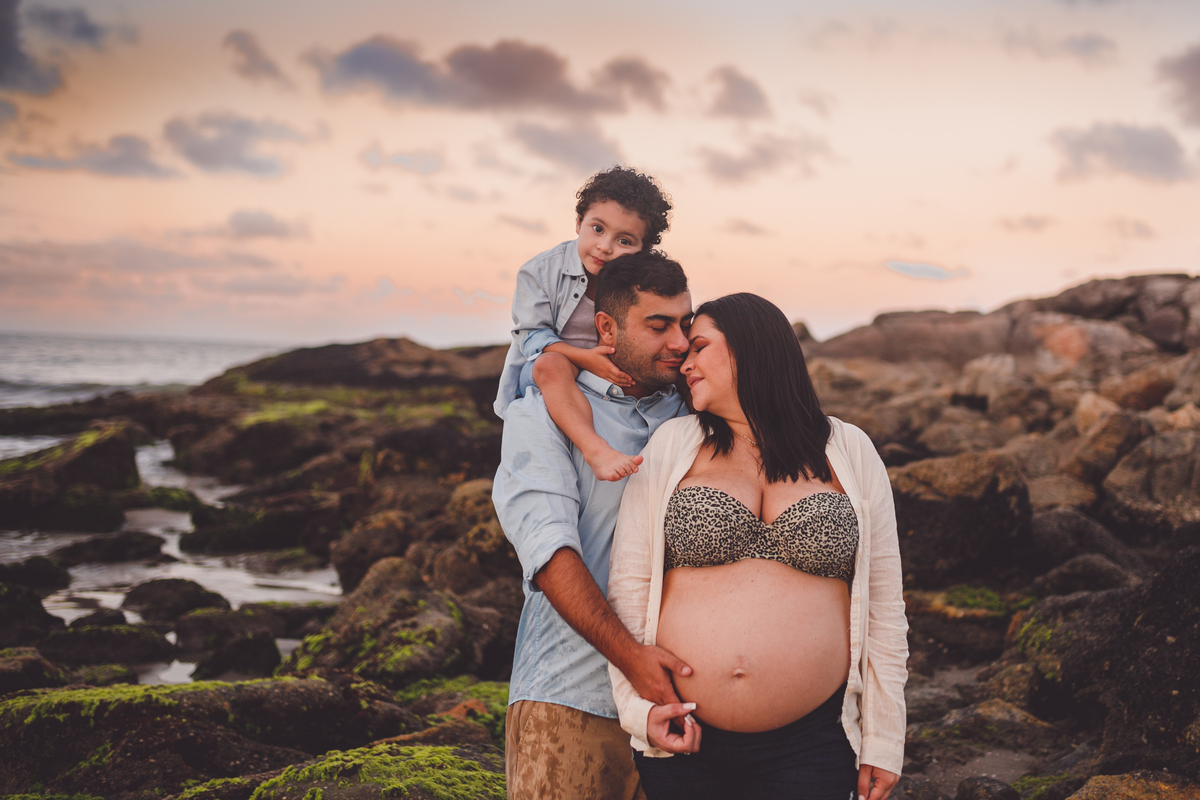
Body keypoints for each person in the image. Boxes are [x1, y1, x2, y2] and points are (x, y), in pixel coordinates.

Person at [607, 293, 909, 800]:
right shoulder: (672, 445)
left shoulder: (849, 449)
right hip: (683, 735)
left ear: (750, 348)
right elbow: (630, 590)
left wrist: (884, 739)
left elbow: (884, 605)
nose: (685, 362)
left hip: (812, 745)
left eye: (700, 347)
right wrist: (640, 711)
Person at [492, 251, 700, 800]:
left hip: (686, 704)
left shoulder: (698, 414)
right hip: (571, 698)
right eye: (659, 325)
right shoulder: (542, 414)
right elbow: (549, 553)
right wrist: (634, 662)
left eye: (685, 324)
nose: (679, 342)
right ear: (606, 328)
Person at [493, 165, 674, 482]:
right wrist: (585, 359)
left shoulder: (638, 285)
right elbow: (531, 337)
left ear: (643, 251)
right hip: (549, 367)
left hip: (604, 369)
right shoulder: (541, 271)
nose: (605, 247)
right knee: (551, 365)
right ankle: (596, 450)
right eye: (598, 229)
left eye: (624, 240)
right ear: (579, 222)